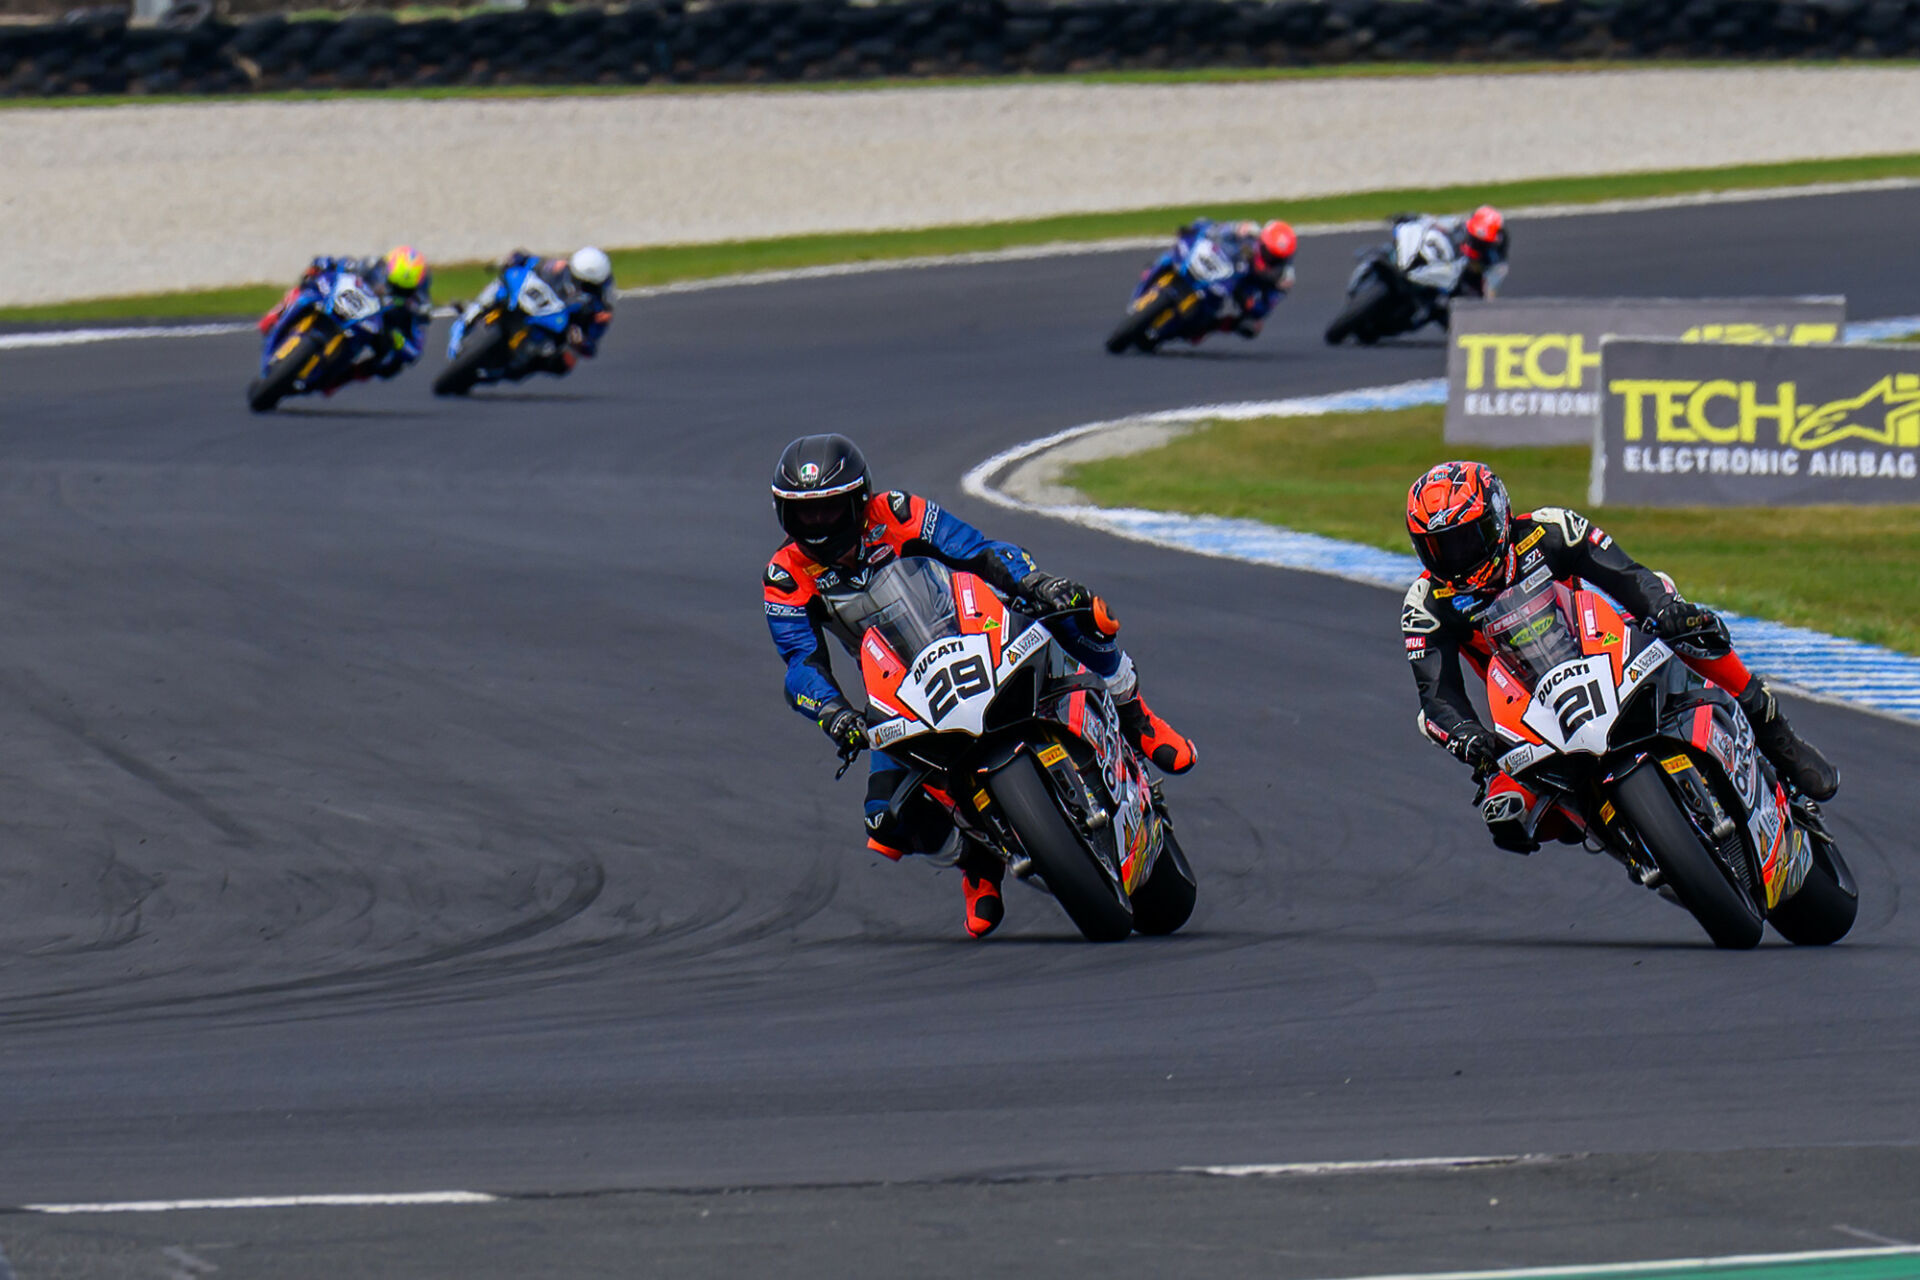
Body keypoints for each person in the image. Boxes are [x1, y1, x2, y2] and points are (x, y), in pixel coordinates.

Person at [763, 434, 1196, 939]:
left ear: (859, 501)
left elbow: (979, 552)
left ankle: (1138, 718)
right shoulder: (786, 575)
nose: (818, 525)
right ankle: (977, 862)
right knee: (885, 821)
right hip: (900, 684)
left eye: (830, 511)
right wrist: (835, 714)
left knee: (1078, 611)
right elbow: (800, 664)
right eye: (804, 515)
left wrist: (1034, 583)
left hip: (975, 625)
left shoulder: (899, 511)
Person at [1400, 459, 1837, 855]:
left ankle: (1774, 731)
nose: (1457, 559)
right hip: (1531, 705)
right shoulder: (1426, 605)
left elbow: (1626, 575)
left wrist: (1664, 611)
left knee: (1684, 620)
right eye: (1440, 548)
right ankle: (1622, 837)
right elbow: (1437, 695)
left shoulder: (1548, 529)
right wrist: (1467, 738)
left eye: (1465, 540)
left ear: (1497, 518)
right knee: (1506, 811)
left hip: (1602, 643)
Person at [258, 245, 433, 382]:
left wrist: (397, 340)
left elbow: (415, 352)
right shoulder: (370, 266)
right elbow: (343, 265)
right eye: (389, 283)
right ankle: (276, 315)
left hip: (371, 327)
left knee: (385, 364)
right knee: (308, 286)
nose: (390, 289)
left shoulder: (414, 308)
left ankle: (341, 379)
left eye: (400, 290)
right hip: (345, 300)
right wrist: (326, 264)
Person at [1167, 218, 1297, 338]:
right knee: (1201, 224)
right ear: (1261, 241)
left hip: (1241, 288)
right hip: (1224, 262)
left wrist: (1250, 303)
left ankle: (1202, 327)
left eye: (1275, 258)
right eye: (1267, 252)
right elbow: (1219, 230)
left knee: (1250, 326)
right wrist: (1232, 230)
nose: (1269, 258)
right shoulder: (1250, 232)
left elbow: (1265, 307)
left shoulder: (1283, 278)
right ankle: (1163, 264)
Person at [500, 245, 616, 376]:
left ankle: (510, 371)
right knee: (505, 280)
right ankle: (479, 309)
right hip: (532, 299)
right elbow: (532, 261)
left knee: (566, 362)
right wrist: (517, 258)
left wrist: (580, 340)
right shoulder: (560, 267)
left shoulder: (598, 308)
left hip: (552, 327)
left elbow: (591, 346)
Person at [1388, 205, 1509, 317]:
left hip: (1449, 283)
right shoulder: (1458, 225)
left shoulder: (1494, 259)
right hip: (1431, 259)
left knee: (1454, 307)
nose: (1476, 244)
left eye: (1481, 243)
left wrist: (1485, 305)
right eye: (1475, 240)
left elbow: (1489, 292)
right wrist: (1415, 217)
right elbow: (1433, 221)